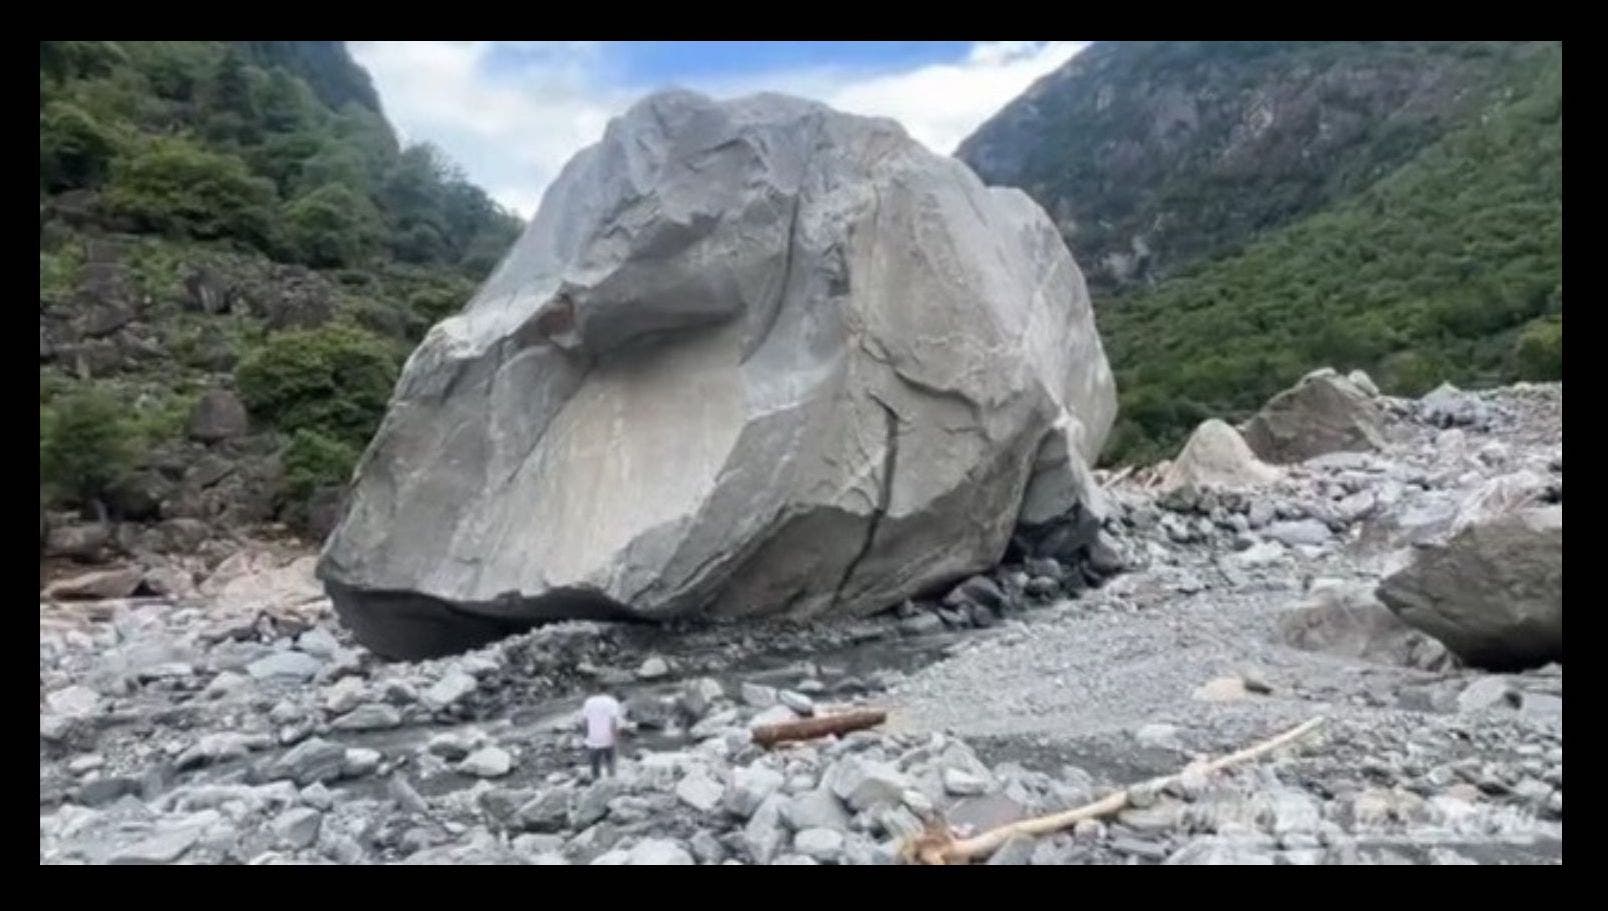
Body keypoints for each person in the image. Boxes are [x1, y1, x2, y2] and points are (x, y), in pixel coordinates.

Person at [579, 691, 624, 780]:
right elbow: (613, 722)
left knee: (595, 767)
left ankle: (596, 782)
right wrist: (616, 737)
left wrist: (585, 736)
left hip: (593, 740)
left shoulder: (589, 701)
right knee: (611, 766)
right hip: (608, 740)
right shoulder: (612, 702)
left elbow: (584, 721)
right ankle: (611, 782)